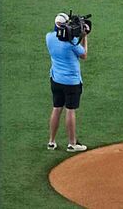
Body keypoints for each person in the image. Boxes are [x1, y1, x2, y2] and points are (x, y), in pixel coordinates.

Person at [46, 13, 89, 152]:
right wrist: (84, 36)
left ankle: (51, 142)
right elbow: (84, 55)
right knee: (70, 111)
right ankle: (72, 144)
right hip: (71, 82)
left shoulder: (49, 38)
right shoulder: (71, 43)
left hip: (56, 79)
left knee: (56, 108)